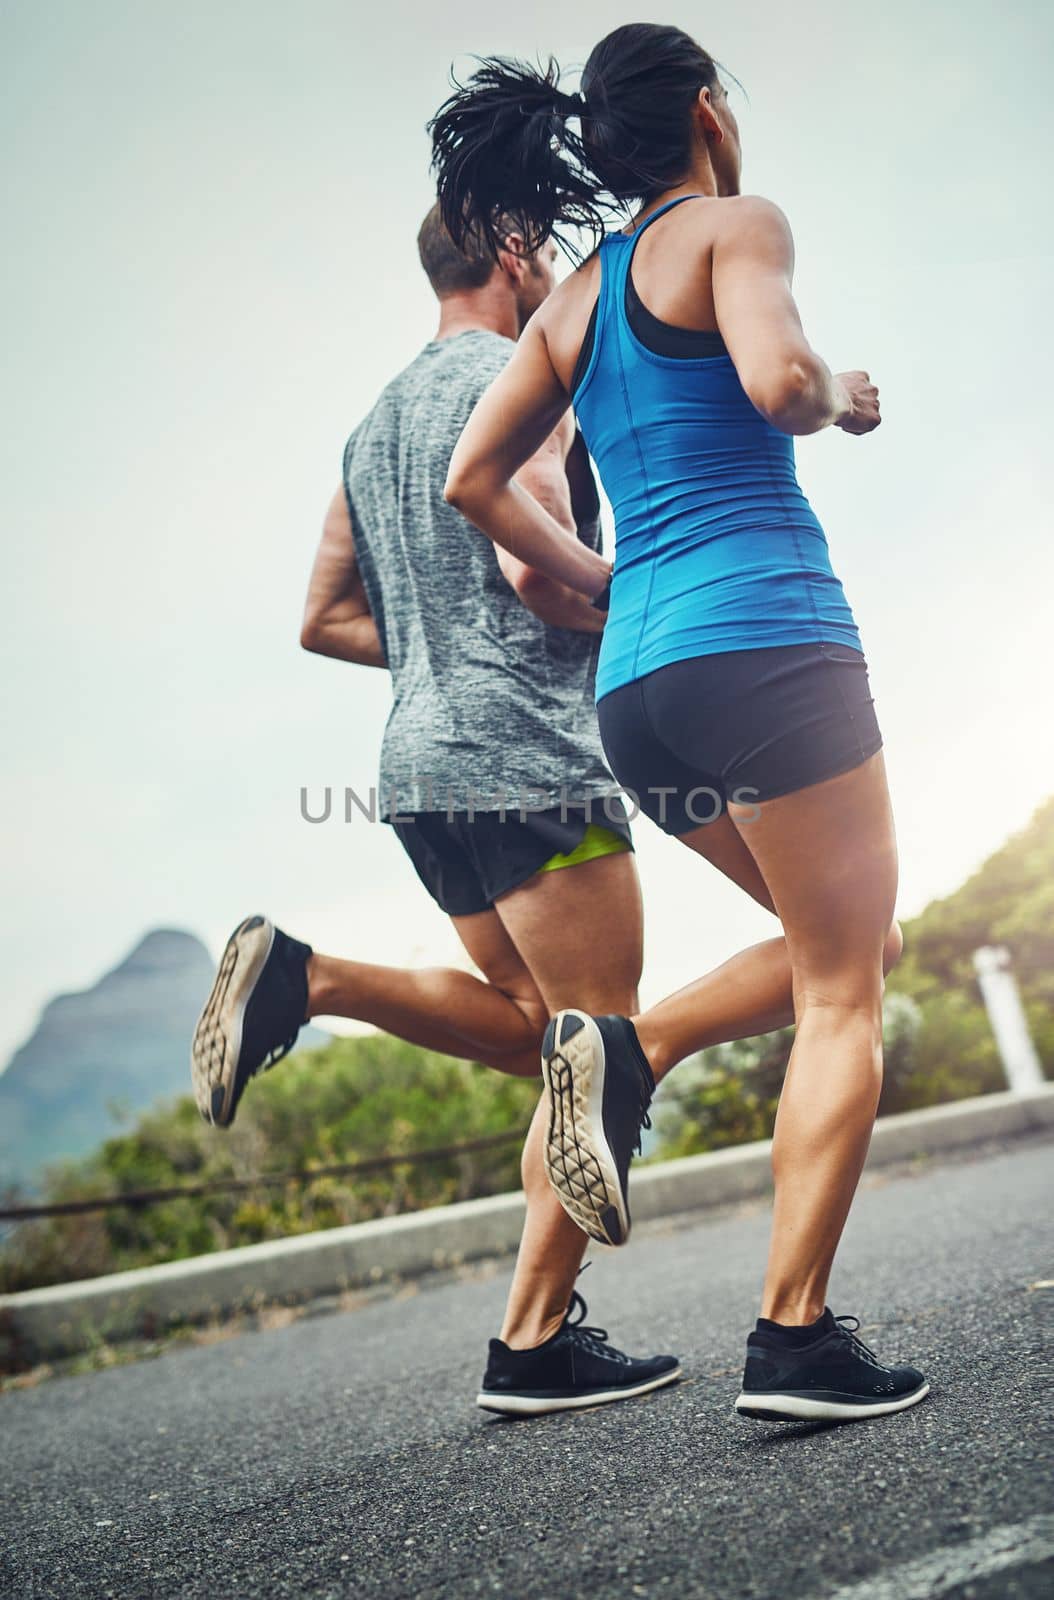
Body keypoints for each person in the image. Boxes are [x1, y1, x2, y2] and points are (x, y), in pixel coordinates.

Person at [430, 23, 929, 1424]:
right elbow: (777, 384)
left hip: (640, 699)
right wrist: (843, 396)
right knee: (846, 992)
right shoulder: (730, 226)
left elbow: (477, 476)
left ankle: (629, 1053)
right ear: (706, 109)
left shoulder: (572, 300)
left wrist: (605, 587)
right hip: (769, 649)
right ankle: (794, 1340)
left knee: (851, 943)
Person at [190, 203, 682, 1416]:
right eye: (547, 252)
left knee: (535, 1035)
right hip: (528, 750)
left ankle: (311, 981)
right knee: (599, 1045)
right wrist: (639, 608)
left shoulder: (373, 425)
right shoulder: (526, 376)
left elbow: (324, 618)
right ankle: (531, 1345)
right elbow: (533, 568)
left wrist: (433, 656)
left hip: (419, 765)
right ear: (514, 252)